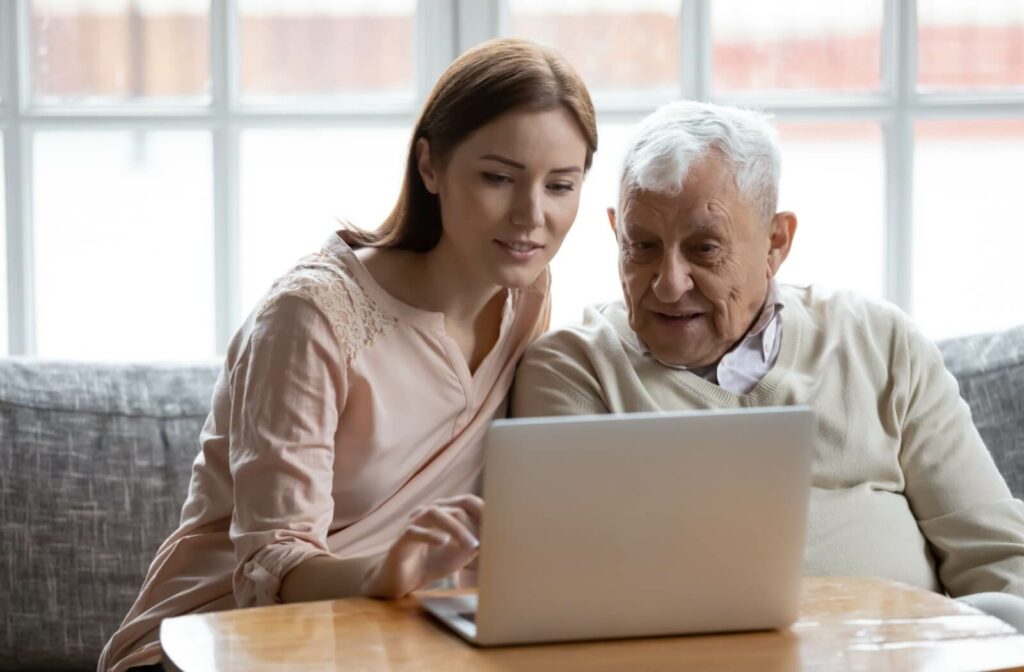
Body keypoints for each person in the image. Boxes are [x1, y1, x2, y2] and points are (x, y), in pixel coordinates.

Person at [100, 38, 597, 672]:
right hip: (219, 640)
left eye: (560, 185)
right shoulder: (309, 318)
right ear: (431, 167)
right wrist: (383, 573)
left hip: (385, 638)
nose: (532, 216)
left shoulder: (526, 296)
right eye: (497, 177)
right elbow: (270, 563)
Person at [511, 100, 1024, 626]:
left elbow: (998, 560)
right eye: (642, 246)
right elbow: (574, 592)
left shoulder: (881, 342)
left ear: (776, 242)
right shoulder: (573, 372)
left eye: (704, 249)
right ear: (616, 232)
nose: (668, 283)